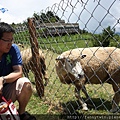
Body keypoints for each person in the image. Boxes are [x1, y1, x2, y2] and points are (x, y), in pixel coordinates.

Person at [0, 22, 36, 120]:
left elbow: (18, 72)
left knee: (25, 84)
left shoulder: (13, 49)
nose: (10, 44)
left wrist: (2, 80)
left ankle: (21, 114)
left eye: (11, 40)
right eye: (7, 40)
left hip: (6, 89)